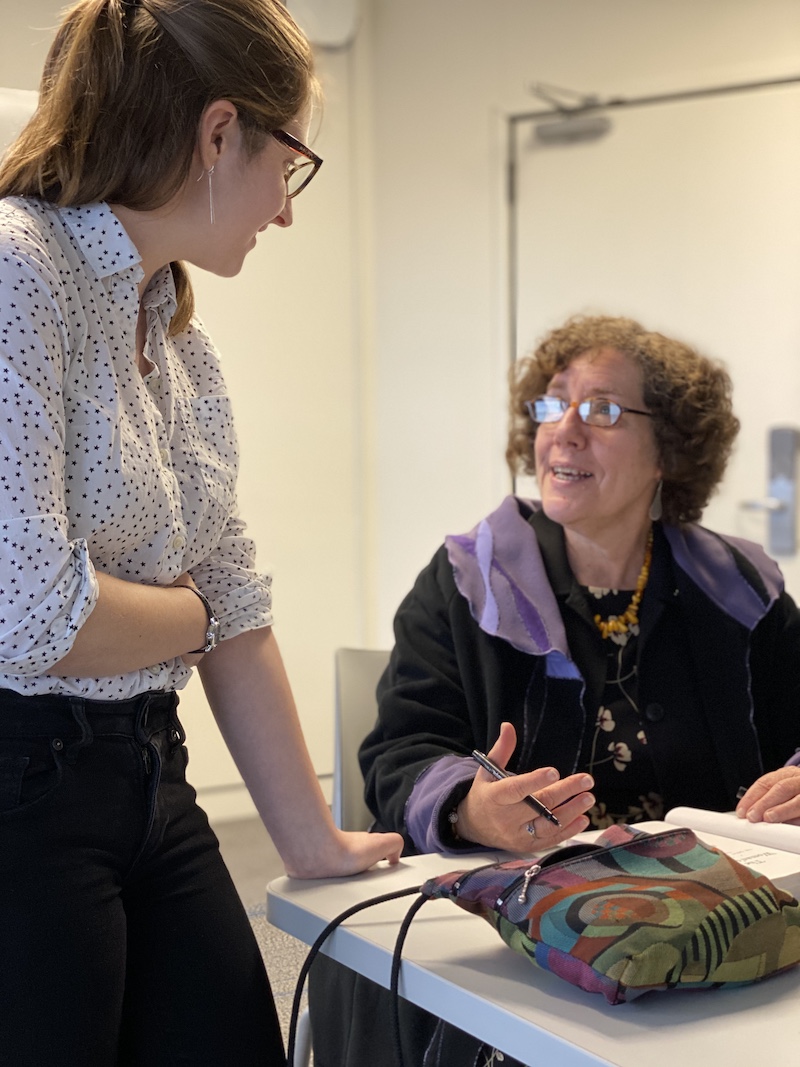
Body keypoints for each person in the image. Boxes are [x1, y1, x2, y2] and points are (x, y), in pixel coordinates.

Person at [0, 2, 403, 1065]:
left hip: (148, 768)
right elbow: (34, 613)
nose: (283, 209)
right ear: (218, 133)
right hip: (19, 783)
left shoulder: (176, 336)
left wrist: (311, 841)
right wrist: (196, 610)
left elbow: (231, 592)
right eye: (293, 162)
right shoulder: (17, 272)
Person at [309, 313, 800, 1067]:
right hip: (523, 942)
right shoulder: (465, 581)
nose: (562, 431)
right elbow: (400, 751)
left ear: (669, 446)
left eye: (601, 409)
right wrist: (471, 805)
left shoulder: (740, 589)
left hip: (713, 928)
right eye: (551, 404)